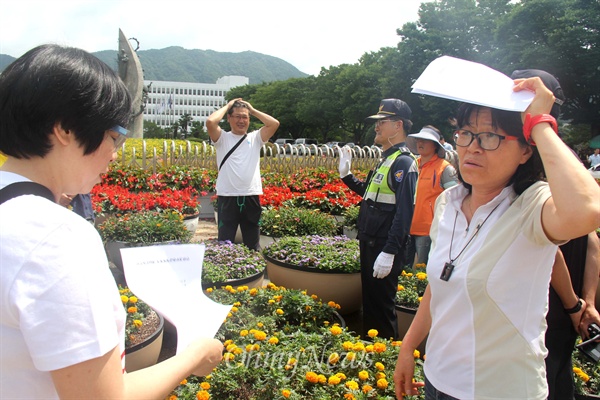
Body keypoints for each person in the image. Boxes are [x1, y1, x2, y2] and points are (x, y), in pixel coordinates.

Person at [0, 44, 223, 399]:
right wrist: (195, 354)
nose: (115, 154)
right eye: (114, 136)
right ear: (65, 130)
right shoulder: (57, 237)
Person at [393, 67, 600, 398]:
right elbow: (439, 286)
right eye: (465, 133)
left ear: (525, 150)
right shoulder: (449, 202)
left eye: (491, 136)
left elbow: (588, 211)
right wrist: (409, 347)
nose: (473, 147)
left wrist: (541, 123)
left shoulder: (532, 207)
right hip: (436, 380)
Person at [511, 68, 600, 400]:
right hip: (567, 309)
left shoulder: (528, 163)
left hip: (545, 306)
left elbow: (552, 250)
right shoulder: (567, 159)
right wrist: (588, 301)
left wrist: (576, 303)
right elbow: (593, 239)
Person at [339, 98, 418, 340]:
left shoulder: (404, 162)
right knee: (371, 304)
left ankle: (384, 359)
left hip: (383, 246)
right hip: (371, 242)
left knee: (382, 308)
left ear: (398, 125)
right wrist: (347, 176)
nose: (376, 127)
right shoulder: (386, 159)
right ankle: (370, 350)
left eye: (382, 122)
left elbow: (404, 213)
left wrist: (391, 251)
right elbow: (370, 194)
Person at [206, 98, 279, 250]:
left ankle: (253, 271)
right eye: (237, 116)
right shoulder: (222, 138)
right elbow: (211, 122)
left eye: (245, 117)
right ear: (229, 118)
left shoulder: (255, 138)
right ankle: (226, 271)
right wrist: (228, 106)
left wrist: (251, 110)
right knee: (225, 242)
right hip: (228, 197)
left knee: (253, 243)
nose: (241, 120)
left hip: (251, 195)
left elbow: (274, 124)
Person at [405, 125, 458, 267]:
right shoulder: (413, 165)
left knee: (423, 271)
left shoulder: (445, 168)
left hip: (428, 230)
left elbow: (455, 200)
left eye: (425, 140)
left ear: (435, 145)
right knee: (403, 270)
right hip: (407, 226)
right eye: (418, 140)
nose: (420, 143)